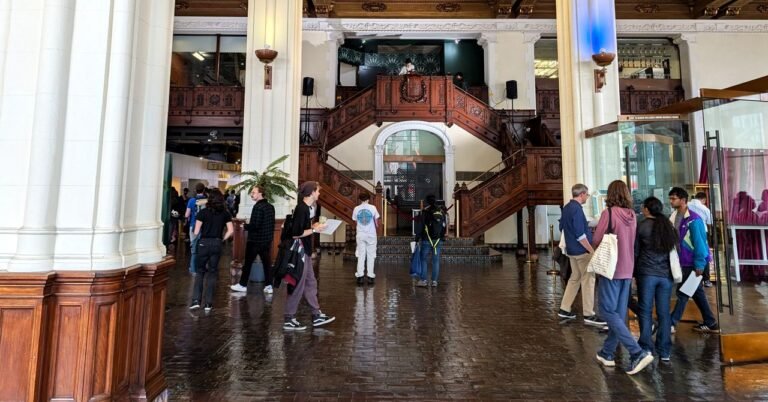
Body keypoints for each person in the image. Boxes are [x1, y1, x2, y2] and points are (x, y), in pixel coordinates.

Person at [593, 180, 653, 375]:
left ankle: (637, 352)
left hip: (611, 267)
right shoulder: (632, 215)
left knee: (606, 310)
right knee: (618, 315)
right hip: (627, 267)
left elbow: (596, 239)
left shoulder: (608, 213)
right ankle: (607, 352)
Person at [283, 181, 335, 331]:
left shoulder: (306, 208)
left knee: (310, 282)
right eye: (317, 191)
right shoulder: (302, 209)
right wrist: (315, 230)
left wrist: (313, 226)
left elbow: (302, 228)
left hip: (304, 250)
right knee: (299, 284)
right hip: (300, 252)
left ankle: (316, 314)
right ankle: (289, 318)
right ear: (312, 192)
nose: (319, 193)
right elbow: (296, 233)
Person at [668, 187, 720, 334]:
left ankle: (671, 323)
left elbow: (700, 243)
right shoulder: (674, 216)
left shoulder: (694, 220)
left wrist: (699, 264)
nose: (671, 201)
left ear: (683, 200)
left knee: (683, 293)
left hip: (692, 263)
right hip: (683, 261)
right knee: (696, 293)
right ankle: (711, 323)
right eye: (670, 198)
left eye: (673, 198)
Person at [635, 196, 677, 362]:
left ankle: (646, 347)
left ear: (647, 209)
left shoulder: (642, 226)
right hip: (665, 275)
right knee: (664, 313)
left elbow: (636, 251)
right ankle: (665, 351)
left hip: (646, 274)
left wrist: (633, 272)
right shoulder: (668, 226)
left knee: (645, 310)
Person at [557, 184, 606, 327]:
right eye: (587, 195)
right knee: (588, 279)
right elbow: (580, 235)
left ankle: (564, 308)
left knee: (575, 278)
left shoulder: (567, 207)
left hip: (571, 250)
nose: (587, 197)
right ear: (582, 194)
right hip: (581, 251)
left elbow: (562, 227)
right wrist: (591, 250)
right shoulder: (577, 209)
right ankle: (589, 314)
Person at [189, 189, 233, 312]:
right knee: (212, 272)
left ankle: (196, 300)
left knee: (200, 271)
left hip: (203, 243)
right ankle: (208, 303)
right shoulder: (225, 213)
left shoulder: (203, 213)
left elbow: (196, 231)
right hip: (217, 243)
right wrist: (222, 239)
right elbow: (230, 230)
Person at [230, 186, 276, 295]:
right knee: (267, 264)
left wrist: (244, 226)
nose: (251, 194)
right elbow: (270, 225)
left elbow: (256, 225)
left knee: (248, 263)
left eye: (254, 192)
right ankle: (269, 286)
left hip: (255, 241)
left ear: (260, 193)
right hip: (267, 241)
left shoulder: (258, 207)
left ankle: (242, 285)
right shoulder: (271, 207)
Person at [415, 195, 448, 287]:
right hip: (438, 240)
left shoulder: (425, 212)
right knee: (436, 260)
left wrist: (417, 238)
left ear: (427, 202)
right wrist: (442, 236)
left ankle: (423, 280)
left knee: (423, 259)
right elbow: (444, 225)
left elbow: (421, 226)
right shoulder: (441, 211)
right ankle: (434, 281)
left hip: (426, 239)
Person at [352, 193, 380, 285]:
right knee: (371, 255)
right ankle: (370, 277)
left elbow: (356, 221)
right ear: (368, 199)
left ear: (360, 199)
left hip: (360, 234)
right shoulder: (373, 208)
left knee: (361, 255)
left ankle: (360, 277)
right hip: (371, 234)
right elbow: (376, 222)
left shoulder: (356, 209)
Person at [688, 191, 713, 286]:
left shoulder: (687, 205)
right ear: (703, 199)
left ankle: (693, 279)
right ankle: (706, 280)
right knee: (703, 253)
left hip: (687, 232)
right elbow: (710, 223)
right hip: (702, 232)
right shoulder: (705, 208)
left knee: (690, 252)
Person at [185, 183, 207, 274]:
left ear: (195, 190)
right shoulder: (206, 201)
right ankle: (201, 268)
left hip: (193, 226)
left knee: (194, 249)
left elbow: (187, 215)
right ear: (204, 190)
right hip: (204, 227)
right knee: (202, 248)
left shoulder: (191, 200)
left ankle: (193, 269)